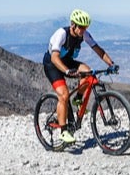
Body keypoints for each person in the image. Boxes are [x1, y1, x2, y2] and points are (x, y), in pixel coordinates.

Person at [42, 9, 114, 145]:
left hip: (67, 61)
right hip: (52, 64)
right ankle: (64, 131)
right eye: (80, 27)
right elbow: (55, 57)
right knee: (63, 95)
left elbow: (98, 49)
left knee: (89, 73)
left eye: (85, 27)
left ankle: (78, 99)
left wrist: (111, 63)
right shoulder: (61, 34)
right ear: (73, 25)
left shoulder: (84, 34)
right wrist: (67, 71)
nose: (83, 30)